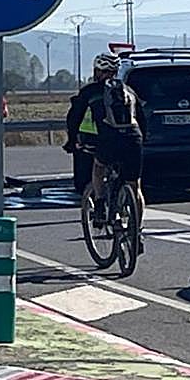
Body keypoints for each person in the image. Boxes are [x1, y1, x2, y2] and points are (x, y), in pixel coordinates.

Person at [64, 53, 144, 244]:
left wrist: (71, 140)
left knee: (98, 167)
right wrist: (143, 141)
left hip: (108, 140)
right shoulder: (129, 91)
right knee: (135, 185)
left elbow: (74, 117)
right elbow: (142, 119)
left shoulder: (90, 91)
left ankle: (99, 203)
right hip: (134, 139)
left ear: (97, 71)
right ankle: (137, 232)